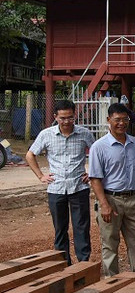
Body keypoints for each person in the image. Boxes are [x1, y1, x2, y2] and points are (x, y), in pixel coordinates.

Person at [26, 99, 95, 264]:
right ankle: (64, 264)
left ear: (74, 116)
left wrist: (92, 173)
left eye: (70, 118)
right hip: (56, 189)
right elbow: (30, 155)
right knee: (60, 228)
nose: (66, 122)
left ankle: (83, 264)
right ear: (56, 117)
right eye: (62, 118)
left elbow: (97, 153)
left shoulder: (84, 133)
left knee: (81, 228)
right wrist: (41, 176)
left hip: (79, 187)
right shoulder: (46, 134)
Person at [89, 103, 135, 276]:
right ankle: (111, 281)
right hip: (111, 200)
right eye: (117, 120)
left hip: (133, 199)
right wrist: (104, 205)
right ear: (109, 120)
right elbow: (95, 179)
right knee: (110, 243)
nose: (121, 123)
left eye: (125, 120)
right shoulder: (99, 147)